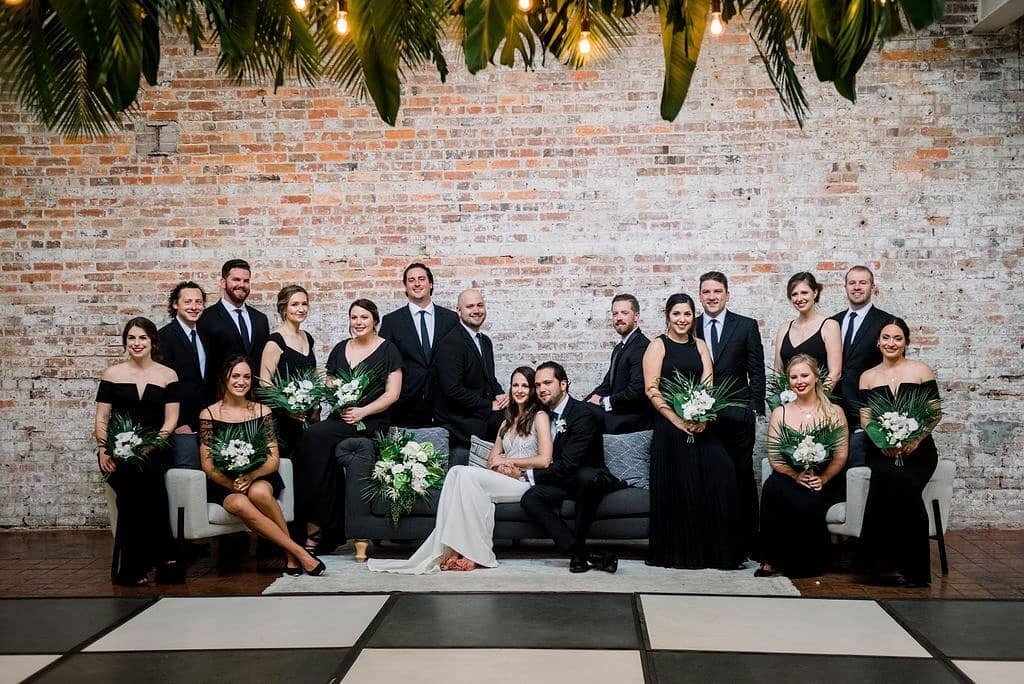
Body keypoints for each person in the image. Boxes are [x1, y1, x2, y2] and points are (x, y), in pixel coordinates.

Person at [367, 367, 553, 574]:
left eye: (525, 386)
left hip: (524, 482)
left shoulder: (540, 416)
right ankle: (456, 550)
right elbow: (491, 459)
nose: (519, 390)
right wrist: (499, 465)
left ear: (532, 390)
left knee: (464, 474)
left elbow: (545, 460)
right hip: (503, 478)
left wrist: (511, 462)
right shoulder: (506, 422)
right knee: (456, 472)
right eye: (515, 385)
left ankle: (464, 551)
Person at [292, 299, 403, 554]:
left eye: (364, 317)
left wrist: (363, 410)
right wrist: (339, 401)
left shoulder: (389, 350)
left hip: (371, 421)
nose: (358, 323)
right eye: (354, 318)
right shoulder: (340, 348)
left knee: (313, 436)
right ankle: (324, 526)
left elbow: (392, 394)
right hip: (340, 418)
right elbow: (330, 384)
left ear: (375, 320)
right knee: (316, 450)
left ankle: (317, 527)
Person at [199, 355, 325, 576]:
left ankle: (291, 556)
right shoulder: (209, 414)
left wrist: (251, 476)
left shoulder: (262, 411)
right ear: (224, 379)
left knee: (259, 493)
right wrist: (232, 483)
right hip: (225, 484)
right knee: (239, 503)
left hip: (260, 476)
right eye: (235, 376)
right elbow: (208, 465)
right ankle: (297, 552)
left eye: (246, 377)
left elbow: (273, 459)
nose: (241, 381)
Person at [642, 293, 741, 570]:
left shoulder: (699, 345)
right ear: (668, 317)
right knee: (684, 483)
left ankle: (718, 552)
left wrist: (703, 417)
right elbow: (652, 389)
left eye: (687, 314)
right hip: (668, 426)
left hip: (699, 424)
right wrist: (676, 419)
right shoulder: (657, 346)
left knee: (723, 470)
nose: (682, 320)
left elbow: (708, 384)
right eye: (676, 314)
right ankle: (682, 553)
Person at [94, 317, 183, 585]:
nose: (137, 343)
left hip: (156, 448)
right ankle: (164, 558)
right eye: (131, 338)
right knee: (137, 485)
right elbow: (101, 418)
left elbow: (171, 421)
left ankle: (134, 565)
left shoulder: (168, 375)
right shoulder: (112, 374)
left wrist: (152, 444)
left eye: (142, 338)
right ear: (125, 343)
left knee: (143, 484)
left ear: (153, 341)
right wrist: (102, 449)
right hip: (117, 452)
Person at [858, 318, 941, 587]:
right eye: (886, 337)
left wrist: (914, 441)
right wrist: (883, 443)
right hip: (881, 450)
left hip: (919, 450)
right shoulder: (868, 376)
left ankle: (915, 571)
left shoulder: (920, 370)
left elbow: (935, 413)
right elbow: (866, 419)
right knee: (884, 485)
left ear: (906, 342)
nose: (890, 343)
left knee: (906, 488)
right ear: (878, 342)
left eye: (897, 338)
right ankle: (879, 567)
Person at [520, 362, 622, 574]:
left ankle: (578, 554)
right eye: (537, 385)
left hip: (589, 477)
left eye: (547, 382)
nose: (541, 389)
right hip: (564, 481)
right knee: (530, 498)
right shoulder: (542, 415)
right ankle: (582, 552)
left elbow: (568, 464)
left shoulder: (582, 414)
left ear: (564, 384)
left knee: (585, 478)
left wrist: (527, 473)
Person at [693, 272, 766, 561]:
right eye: (706, 292)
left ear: (727, 294)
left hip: (738, 417)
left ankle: (748, 542)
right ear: (700, 295)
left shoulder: (745, 326)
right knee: (708, 480)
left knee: (741, 478)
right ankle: (712, 542)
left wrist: (754, 409)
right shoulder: (690, 325)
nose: (712, 296)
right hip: (701, 418)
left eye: (717, 291)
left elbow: (757, 370)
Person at [756, 354, 848, 578]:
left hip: (824, 477)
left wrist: (823, 478)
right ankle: (770, 559)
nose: (800, 381)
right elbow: (775, 455)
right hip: (790, 475)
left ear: (816, 377)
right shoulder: (781, 412)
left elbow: (840, 455)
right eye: (794, 377)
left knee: (808, 501)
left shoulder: (834, 411)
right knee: (772, 488)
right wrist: (794, 475)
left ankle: (805, 562)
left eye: (805, 375)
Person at [379, 263, 459, 428]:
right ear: (405, 286)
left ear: (430, 284)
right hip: (405, 404)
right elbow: (383, 363)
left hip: (445, 403)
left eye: (421, 279)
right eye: (411, 280)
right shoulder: (391, 321)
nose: (417, 284)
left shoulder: (450, 319)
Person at [830, 266, 893, 466]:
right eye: (852, 283)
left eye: (863, 282)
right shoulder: (832, 322)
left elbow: (892, 368)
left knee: (860, 468)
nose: (857, 287)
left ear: (873, 287)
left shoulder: (886, 322)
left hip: (867, 408)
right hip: (834, 407)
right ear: (845, 287)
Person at [433, 289, 507, 458]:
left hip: (479, 413)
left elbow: (489, 378)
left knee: (522, 414)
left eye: (480, 305)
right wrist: (488, 405)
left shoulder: (485, 341)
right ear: (459, 311)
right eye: (470, 306)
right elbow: (452, 390)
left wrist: (500, 394)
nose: (476, 310)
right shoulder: (451, 343)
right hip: (461, 420)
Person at [259, 285, 318, 459]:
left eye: (304, 304)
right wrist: (287, 407)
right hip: (283, 419)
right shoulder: (275, 342)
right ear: (284, 308)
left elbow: (313, 375)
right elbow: (264, 382)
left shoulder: (307, 337)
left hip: (306, 416)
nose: (301, 309)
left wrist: (315, 406)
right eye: (295, 304)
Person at [197, 259, 270, 393]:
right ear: (223, 283)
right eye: (236, 279)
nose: (241, 285)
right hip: (220, 398)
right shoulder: (206, 318)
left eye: (246, 281)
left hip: (256, 399)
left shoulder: (260, 319)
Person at [158, 281, 210, 469]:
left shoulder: (206, 336)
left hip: (206, 422)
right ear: (175, 304)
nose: (194, 307)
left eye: (198, 302)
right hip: (181, 425)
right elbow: (162, 387)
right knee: (187, 474)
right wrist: (178, 423)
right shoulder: (164, 337)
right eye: (188, 302)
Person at [584, 294, 653, 433]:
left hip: (632, 421)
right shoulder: (619, 348)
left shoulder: (641, 347)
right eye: (615, 313)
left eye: (624, 313)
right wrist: (580, 406)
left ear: (636, 316)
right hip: (617, 415)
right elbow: (606, 385)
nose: (619, 318)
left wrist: (603, 402)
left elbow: (635, 392)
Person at [773, 271, 842, 389]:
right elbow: (778, 371)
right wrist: (784, 398)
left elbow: (835, 373)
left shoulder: (829, 326)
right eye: (794, 294)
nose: (799, 298)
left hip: (821, 402)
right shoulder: (784, 328)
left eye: (804, 292)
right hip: (790, 403)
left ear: (815, 293)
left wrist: (817, 402)